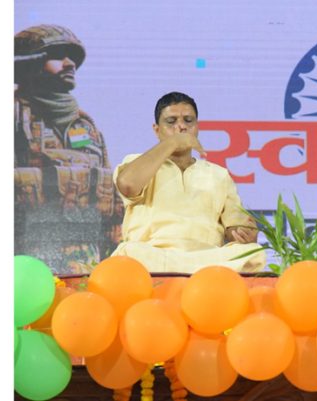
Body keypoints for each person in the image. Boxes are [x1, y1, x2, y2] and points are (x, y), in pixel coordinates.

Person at [110, 92, 266, 273]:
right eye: (171, 122)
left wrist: (243, 232)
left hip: (205, 257)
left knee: (253, 253)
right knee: (130, 252)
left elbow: (235, 227)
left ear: (197, 128)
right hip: (153, 254)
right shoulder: (139, 162)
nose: (181, 127)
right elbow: (128, 185)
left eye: (188, 120)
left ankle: (193, 270)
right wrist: (173, 143)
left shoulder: (218, 174)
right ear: (156, 130)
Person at [14, 24, 119, 274]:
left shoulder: (87, 126)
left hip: (86, 264)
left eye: (72, 57)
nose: (69, 63)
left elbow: (111, 207)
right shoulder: (13, 117)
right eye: (58, 55)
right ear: (28, 62)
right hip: (26, 265)